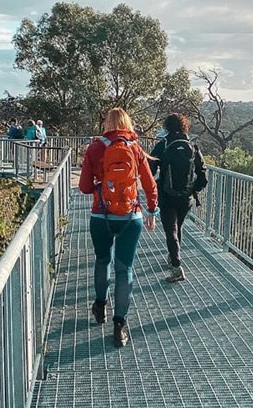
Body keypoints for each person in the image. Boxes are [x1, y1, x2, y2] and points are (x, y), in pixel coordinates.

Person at [79, 107, 159, 348]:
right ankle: (120, 326)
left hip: (100, 216)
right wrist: (152, 211)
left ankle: (100, 306)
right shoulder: (135, 148)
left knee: (103, 260)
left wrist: (100, 186)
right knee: (125, 269)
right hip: (130, 217)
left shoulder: (95, 148)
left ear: (107, 124)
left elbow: (83, 187)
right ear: (127, 124)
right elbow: (149, 184)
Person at [148, 113, 208, 283]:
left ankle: (176, 267)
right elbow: (203, 176)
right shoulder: (192, 146)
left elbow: (150, 170)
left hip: (167, 196)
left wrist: (155, 186)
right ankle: (174, 256)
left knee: (171, 231)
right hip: (185, 198)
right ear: (184, 126)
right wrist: (191, 190)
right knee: (177, 227)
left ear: (167, 127)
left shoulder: (163, 145)